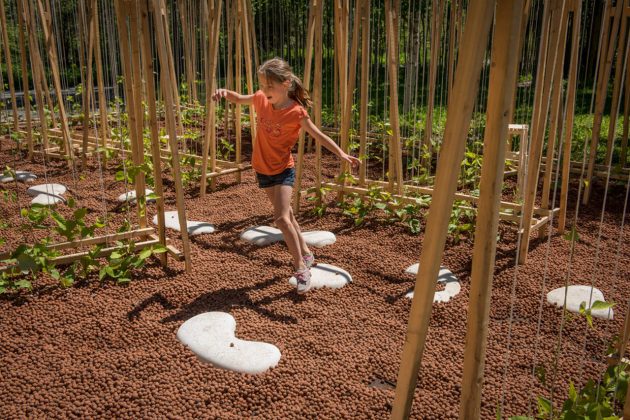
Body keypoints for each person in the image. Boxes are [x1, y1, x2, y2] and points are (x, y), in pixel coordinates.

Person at [213, 57, 360, 294]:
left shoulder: (296, 112)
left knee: (281, 219)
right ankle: (307, 253)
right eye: (262, 85)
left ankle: (301, 267)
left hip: (283, 170)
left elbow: (319, 135)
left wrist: (342, 153)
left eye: (270, 85)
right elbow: (239, 98)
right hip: (262, 168)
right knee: (288, 215)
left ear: (286, 83)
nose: (264, 90)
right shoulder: (261, 99)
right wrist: (223, 92)